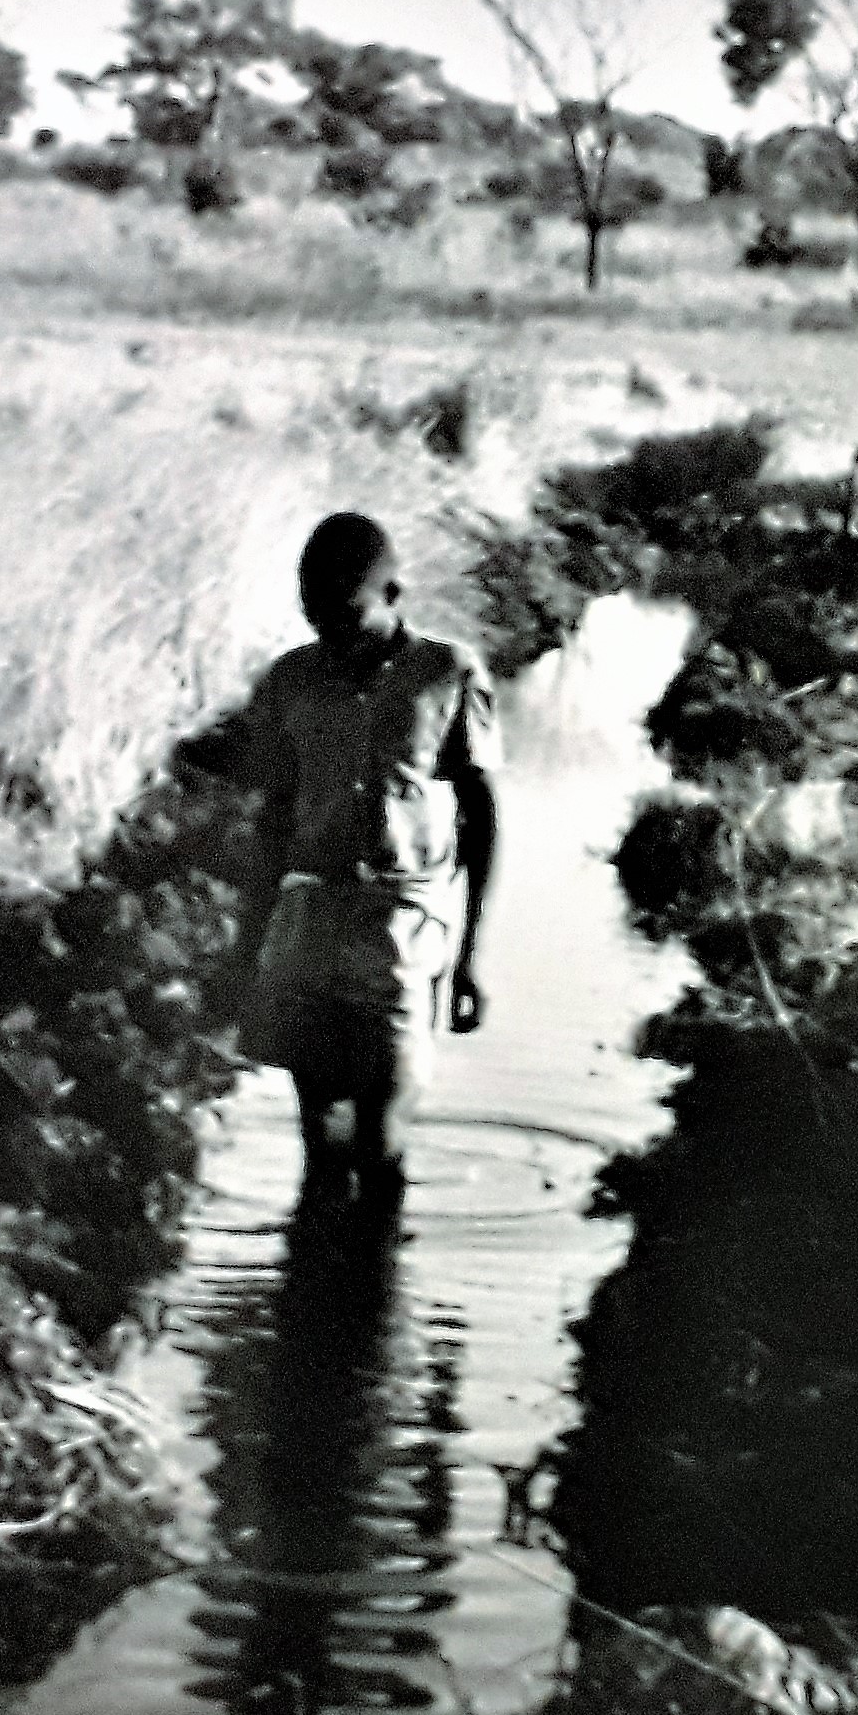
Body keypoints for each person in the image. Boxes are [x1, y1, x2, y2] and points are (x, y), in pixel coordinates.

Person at [231, 513, 499, 1214]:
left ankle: (379, 1274)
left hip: (401, 928)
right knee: (321, 1144)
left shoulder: (445, 674)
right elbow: (272, 821)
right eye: (314, 615)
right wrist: (248, 947)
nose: (330, 634)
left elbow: (483, 817)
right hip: (310, 923)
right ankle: (316, 1278)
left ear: (394, 594)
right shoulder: (289, 682)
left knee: (381, 1143)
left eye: (346, 615)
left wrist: (469, 957)